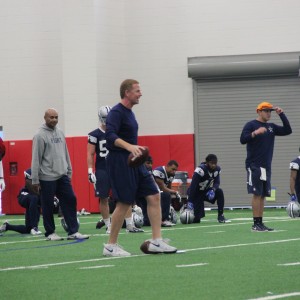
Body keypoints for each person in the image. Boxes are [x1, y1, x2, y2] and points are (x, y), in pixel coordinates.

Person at [103, 79, 177, 256]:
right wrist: (129, 147)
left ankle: (156, 241)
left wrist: (135, 150)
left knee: (154, 196)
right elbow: (110, 136)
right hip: (120, 161)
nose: (140, 93)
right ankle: (110, 246)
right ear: (127, 93)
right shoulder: (116, 112)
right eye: (137, 91)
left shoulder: (130, 113)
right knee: (124, 202)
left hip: (135, 161)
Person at [31, 108, 89, 241]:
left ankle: (73, 231)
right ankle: (50, 233)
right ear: (45, 118)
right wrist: (35, 179)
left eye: (56, 117)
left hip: (62, 175)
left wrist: (69, 170)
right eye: (51, 117)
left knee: (70, 199)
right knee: (48, 205)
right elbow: (36, 158)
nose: (54, 120)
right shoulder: (39, 135)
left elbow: (65, 152)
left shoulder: (60, 132)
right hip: (47, 177)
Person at [88, 106, 144, 233]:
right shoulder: (94, 135)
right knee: (103, 197)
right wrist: (90, 170)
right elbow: (90, 153)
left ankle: (130, 224)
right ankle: (108, 225)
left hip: (118, 167)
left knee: (125, 195)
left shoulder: (117, 133)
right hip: (102, 168)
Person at [240, 101, 292, 232]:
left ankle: (260, 223)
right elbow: (242, 139)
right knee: (256, 194)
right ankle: (255, 223)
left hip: (266, 166)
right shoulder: (251, 124)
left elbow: (288, 130)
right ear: (259, 111)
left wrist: (282, 114)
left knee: (263, 194)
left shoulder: (271, 127)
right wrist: (255, 133)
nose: (269, 113)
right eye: (266, 111)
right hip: (254, 165)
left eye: (270, 111)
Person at [187, 154, 230, 224]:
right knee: (196, 220)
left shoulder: (217, 169)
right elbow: (193, 186)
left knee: (219, 191)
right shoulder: (200, 170)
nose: (213, 165)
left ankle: (221, 216)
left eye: (215, 163)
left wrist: (213, 190)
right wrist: (190, 201)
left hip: (205, 192)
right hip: (196, 193)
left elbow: (217, 182)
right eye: (211, 163)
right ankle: (186, 208)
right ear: (207, 163)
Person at [0, 169, 42, 236]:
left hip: (32, 200)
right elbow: (27, 176)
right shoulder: (33, 171)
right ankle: (34, 227)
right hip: (25, 194)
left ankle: (7, 226)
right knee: (34, 198)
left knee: (28, 229)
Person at [152, 160, 181, 227]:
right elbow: (162, 188)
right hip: (148, 194)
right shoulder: (159, 171)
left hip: (156, 194)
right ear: (167, 166)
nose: (174, 171)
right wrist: (175, 192)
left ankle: (162, 217)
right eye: (173, 169)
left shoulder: (171, 174)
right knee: (165, 194)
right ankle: (164, 219)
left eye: (175, 170)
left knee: (167, 195)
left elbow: (168, 188)